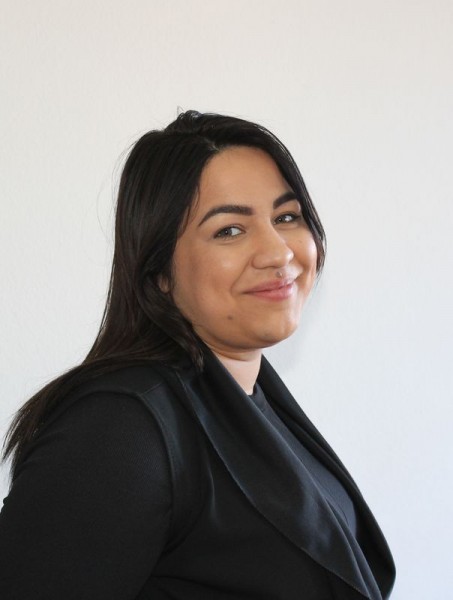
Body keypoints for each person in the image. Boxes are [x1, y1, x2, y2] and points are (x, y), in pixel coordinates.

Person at [0, 110, 395, 599]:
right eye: (229, 230)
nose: (278, 252)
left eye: (286, 217)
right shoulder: (119, 429)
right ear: (160, 272)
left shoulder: (251, 396)